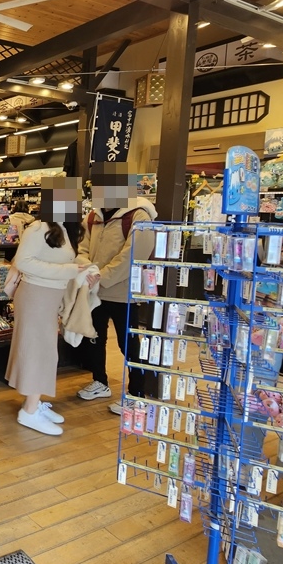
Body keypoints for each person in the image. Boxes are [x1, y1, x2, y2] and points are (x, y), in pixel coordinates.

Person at [6, 178, 92, 436]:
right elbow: (23, 262)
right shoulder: (37, 229)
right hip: (35, 296)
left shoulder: (64, 229)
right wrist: (69, 270)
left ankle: (32, 403)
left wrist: (84, 266)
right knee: (38, 351)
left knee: (43, 350)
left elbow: (65, 258)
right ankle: (29, 412)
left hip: (48, 297)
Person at [75, 162, 157, 413]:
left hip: (125, 293)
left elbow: (134, 254)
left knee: (129, 343)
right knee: (94, 337)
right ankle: (100, 381)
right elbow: (83, 248)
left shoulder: (139, 215)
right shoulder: (93, 216)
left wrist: (101, 275)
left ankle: (137, 393)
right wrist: (86, 269)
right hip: (95, 290)